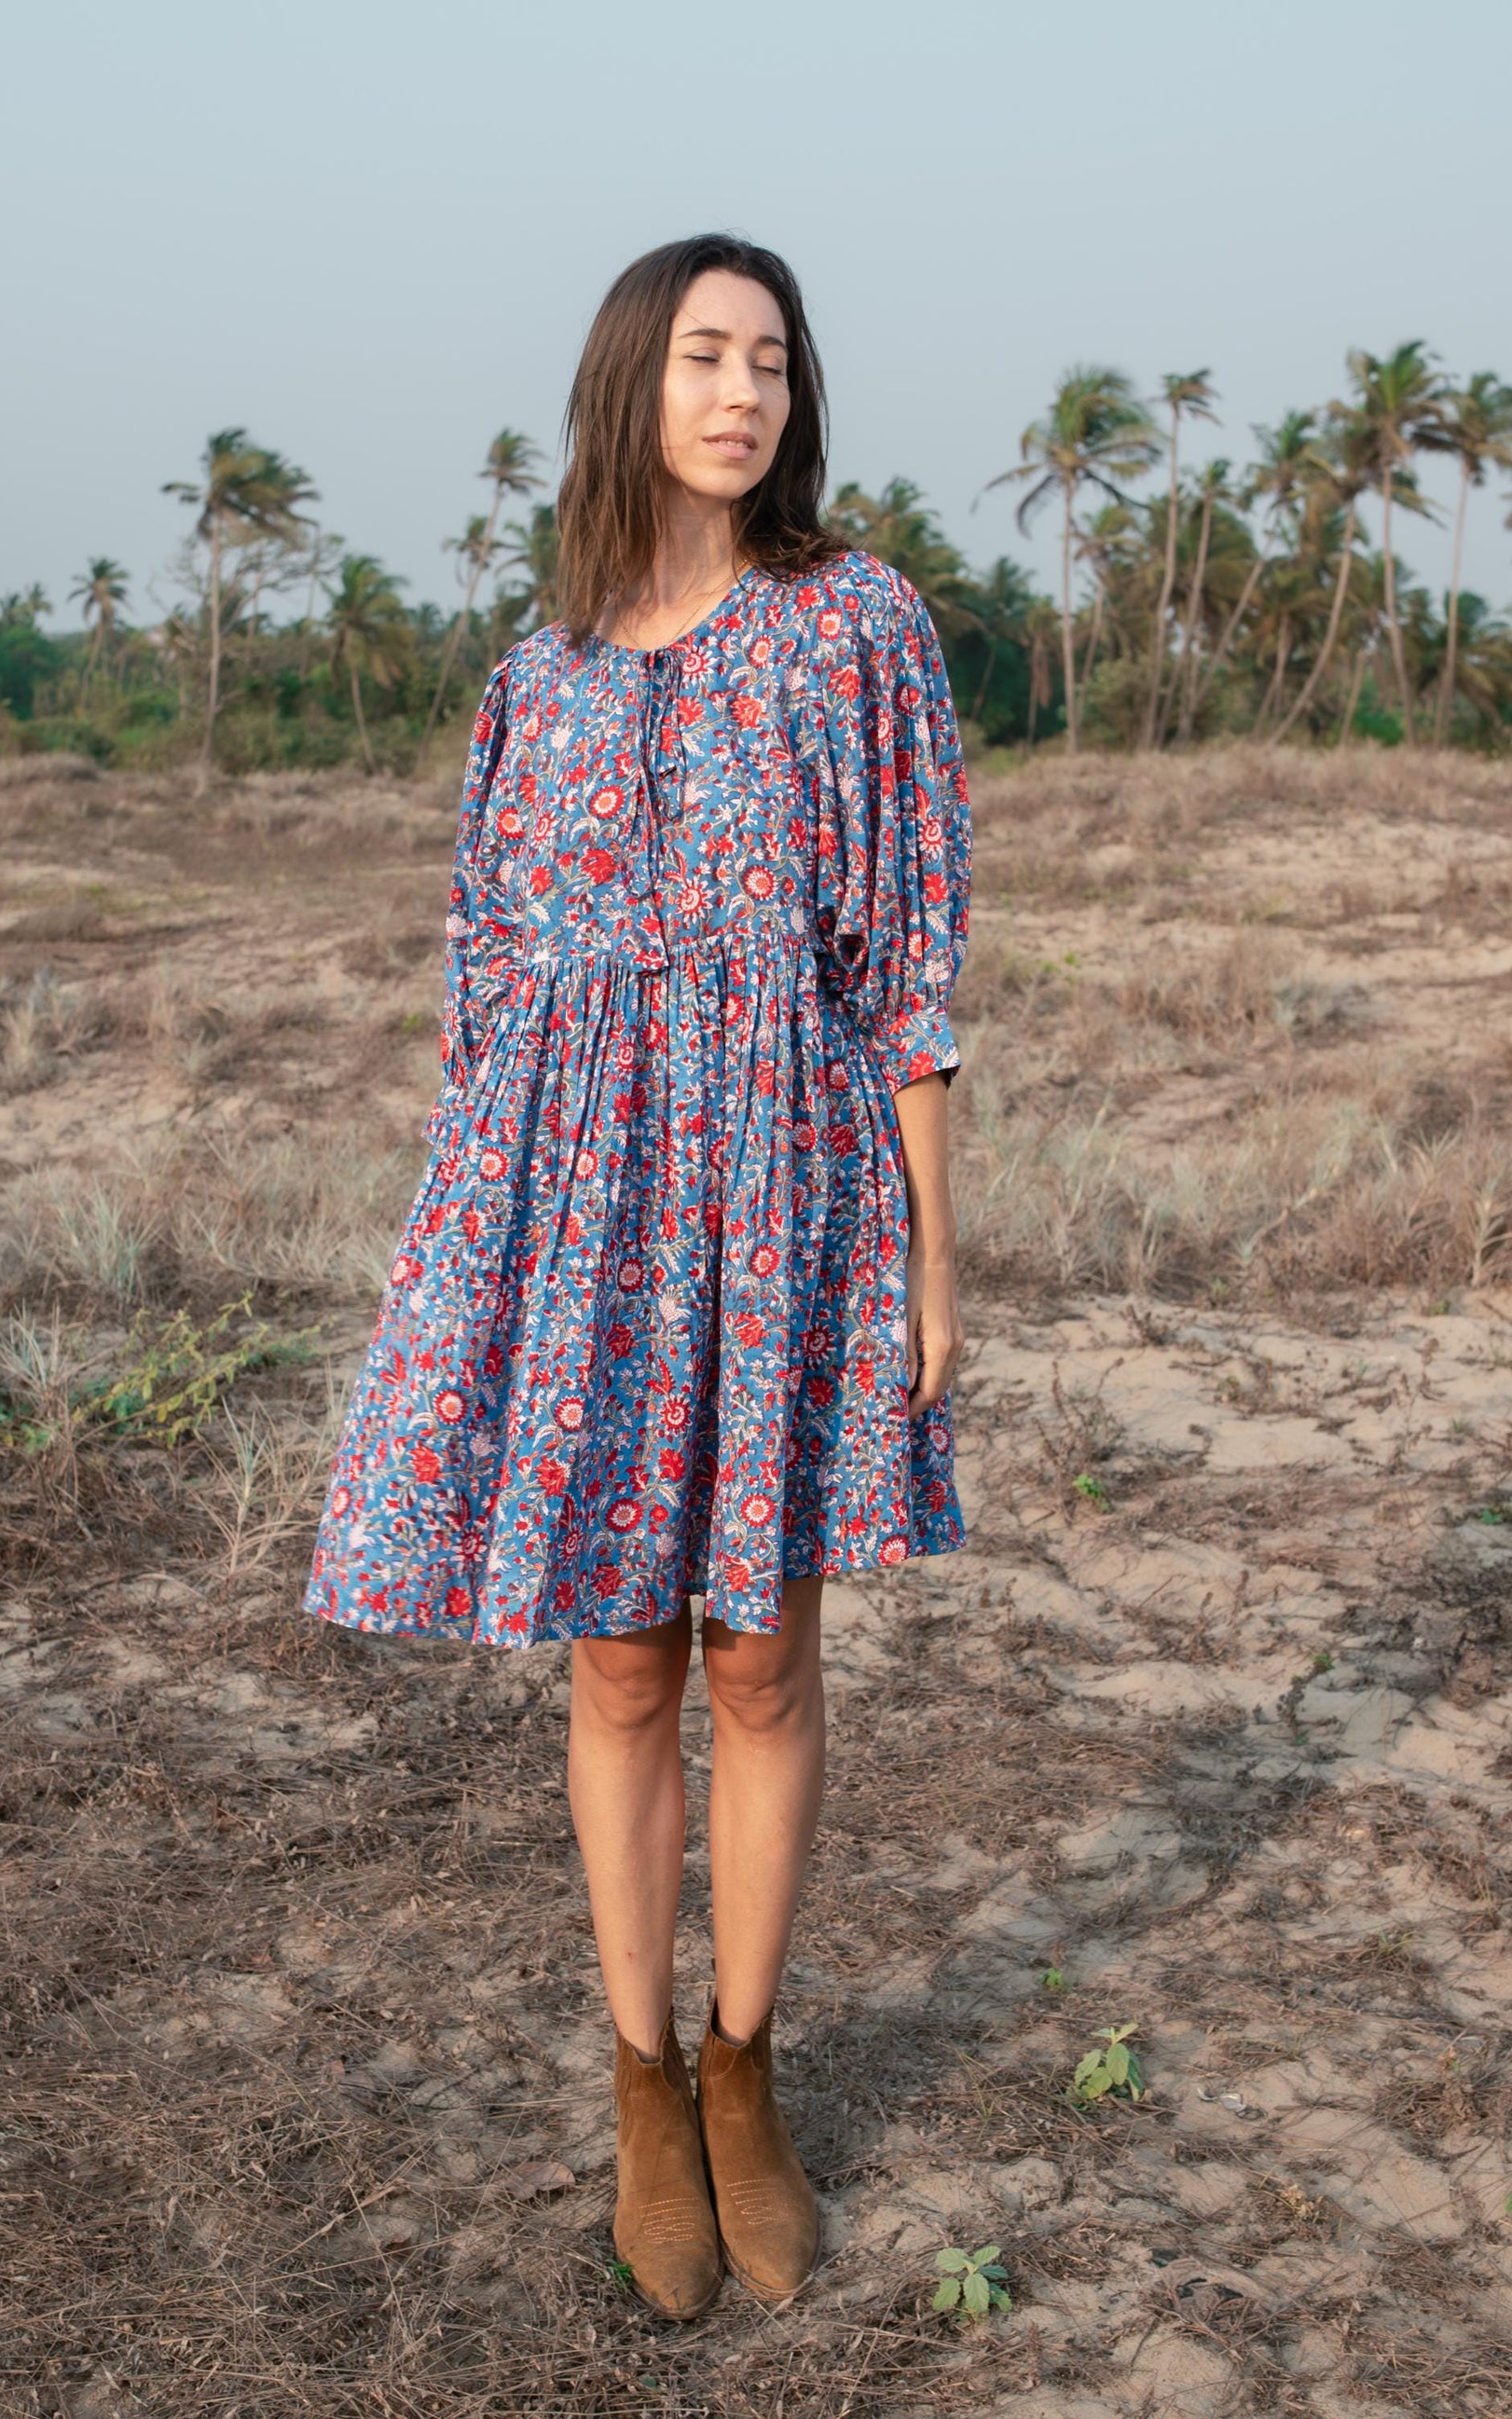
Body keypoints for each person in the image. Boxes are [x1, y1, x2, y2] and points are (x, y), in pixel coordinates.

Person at [305, 232, 972, 2319]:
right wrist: (475, 1287)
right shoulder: (540, 674)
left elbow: (909, 963)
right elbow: (482, 999)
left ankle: (747, 2069)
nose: (745, 390)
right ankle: (636, 2082)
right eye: (705, 353)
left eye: (772, 358)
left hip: (787, 1196)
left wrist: (935, 1256)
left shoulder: (858, 623)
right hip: (580, 1224)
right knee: (620, 1663)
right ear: (633, 382)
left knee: (762, 1653)